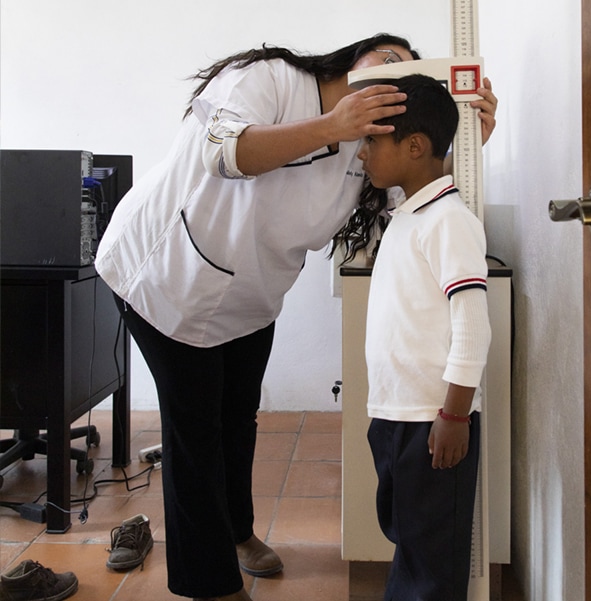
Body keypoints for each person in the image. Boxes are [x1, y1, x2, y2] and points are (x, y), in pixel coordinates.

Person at [94, 35, 497, 601]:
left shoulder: (365, 147)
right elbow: (225, 153)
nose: (392, 74)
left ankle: (235, 531)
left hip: (249, 294)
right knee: (195, 432)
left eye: (406, 72)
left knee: (238, 417)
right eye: (387, 58)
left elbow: (415, 182)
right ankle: (209, 583)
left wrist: (472, 144)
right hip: (168, 277)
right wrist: (334, 123)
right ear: (353, 55)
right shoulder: (271, 79)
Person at [359, 74, 492, 601]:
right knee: (411, 541)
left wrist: (455, 414)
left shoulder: (448, 221)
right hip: (397, 416)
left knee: (432, 561)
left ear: (415, 146)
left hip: (434, 422)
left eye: (373, 140)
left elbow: (472, 324)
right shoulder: (408, 215)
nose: (363, 152)